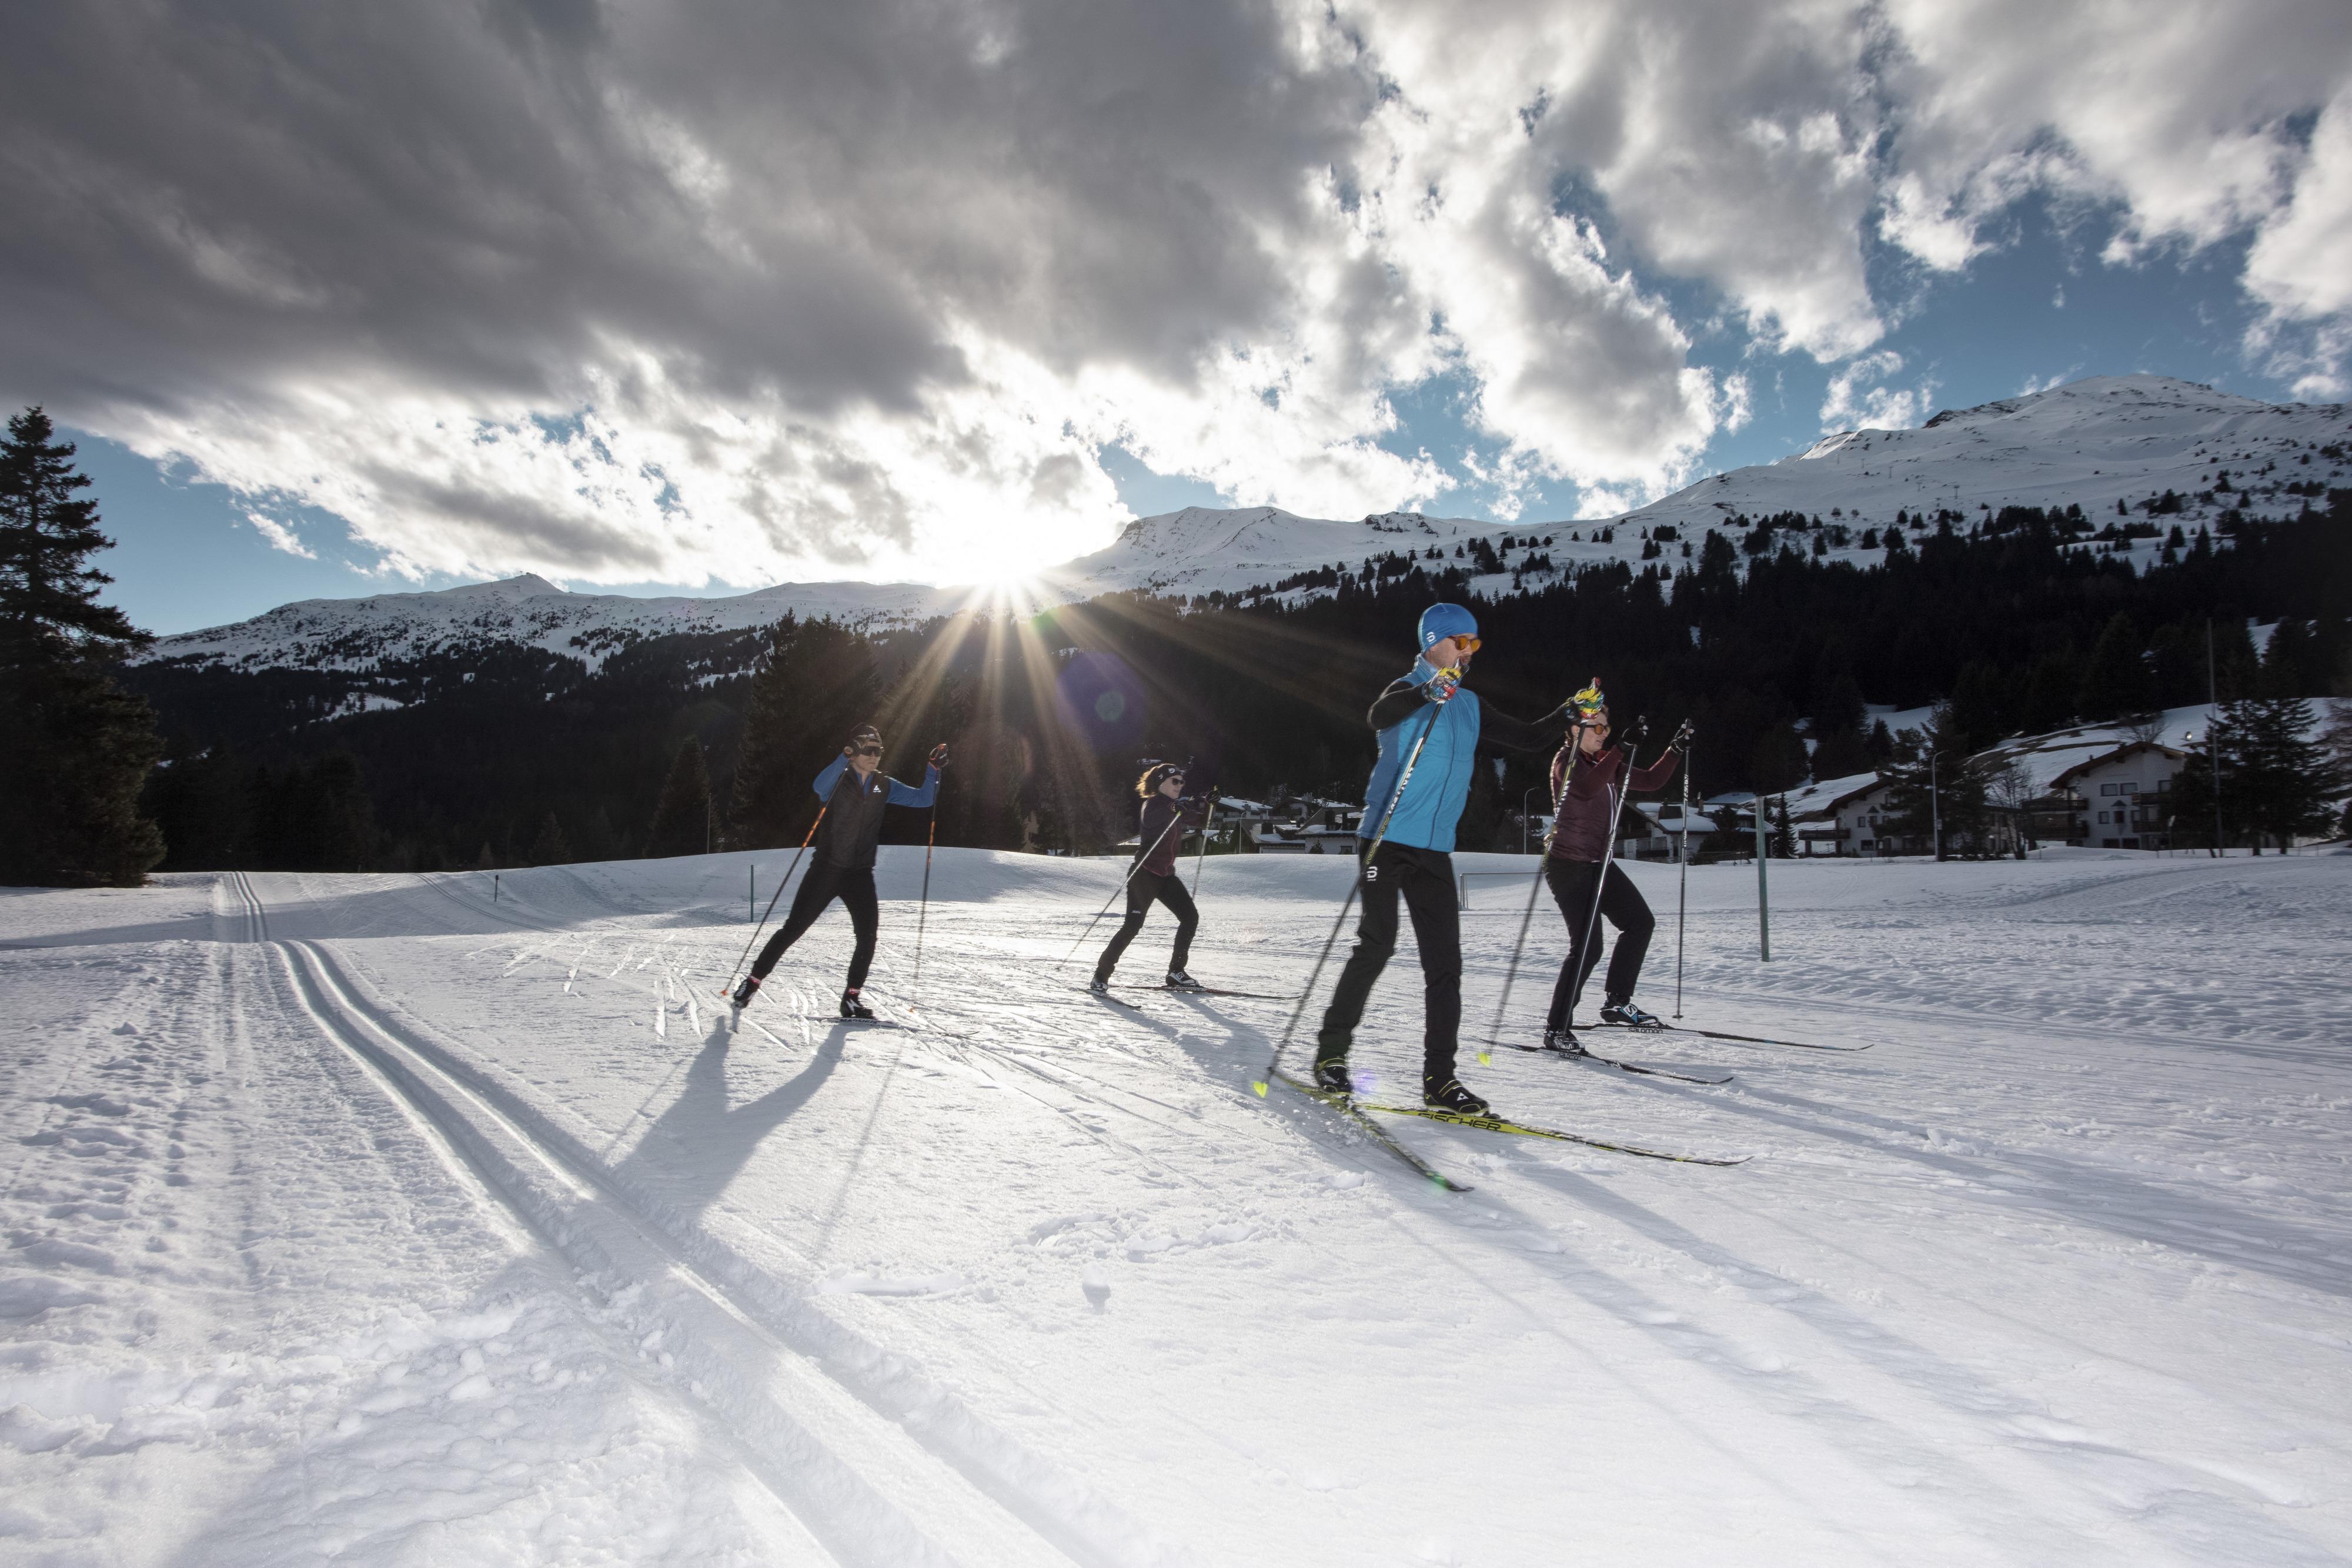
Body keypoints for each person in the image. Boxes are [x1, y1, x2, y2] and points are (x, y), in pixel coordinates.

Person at [1314, 603, 1571, 1116]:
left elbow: (1527, 737)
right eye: (1461, 641)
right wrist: (1426, 693)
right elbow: (1378, 716)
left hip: (1434, 849)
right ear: (1434, 641)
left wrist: (1569, 713)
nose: (1469, 651)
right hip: (1385, 840)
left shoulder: (1470, 703)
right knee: (1377, 944)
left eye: (1475, 643)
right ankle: (1332, 1055)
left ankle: (1440, 1080)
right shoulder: (1406, 690)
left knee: (1446, 965)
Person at [731, 724, 946, 1016]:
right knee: (794, 929)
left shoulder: (883, 785)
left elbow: (924, 799)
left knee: (867, 936)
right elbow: (819, 787)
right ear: (855, 751)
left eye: (879, 751)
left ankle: (851, 999)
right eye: (868, 750)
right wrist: (844, 756)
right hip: (826, 870)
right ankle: (752, 982)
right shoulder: (838, 780)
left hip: (860, 873)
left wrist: (934, 769)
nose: (875, 756)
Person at [1541, 703, 1687, 1050]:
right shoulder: (1566, 762)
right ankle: (1556, 1030)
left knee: (1639, 923)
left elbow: (1650, 780)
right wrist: (1621, 747)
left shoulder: (1603, 763)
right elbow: (1587, 788)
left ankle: (1617, 1002)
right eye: (1597, 727)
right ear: (1575, 730)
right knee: (1587, 948)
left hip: (1600, 864)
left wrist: (1675, 750)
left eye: (1607, 728)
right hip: (1568, 866)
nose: (1604, 733)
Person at [1090, 762, 1211, 994]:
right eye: (1175, 781)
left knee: (1190, 917)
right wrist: (1175, 807)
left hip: (1166, 876)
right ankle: (1101, 975)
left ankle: (1176, 972)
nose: (1180, 785)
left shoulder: (1176, 806)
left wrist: (1207, 804)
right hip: (1144, 875)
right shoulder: (1153, 804)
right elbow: (1152, 820)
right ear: (1162, 782)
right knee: (1132, 927)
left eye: (1182, 782)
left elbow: (1200, 821)